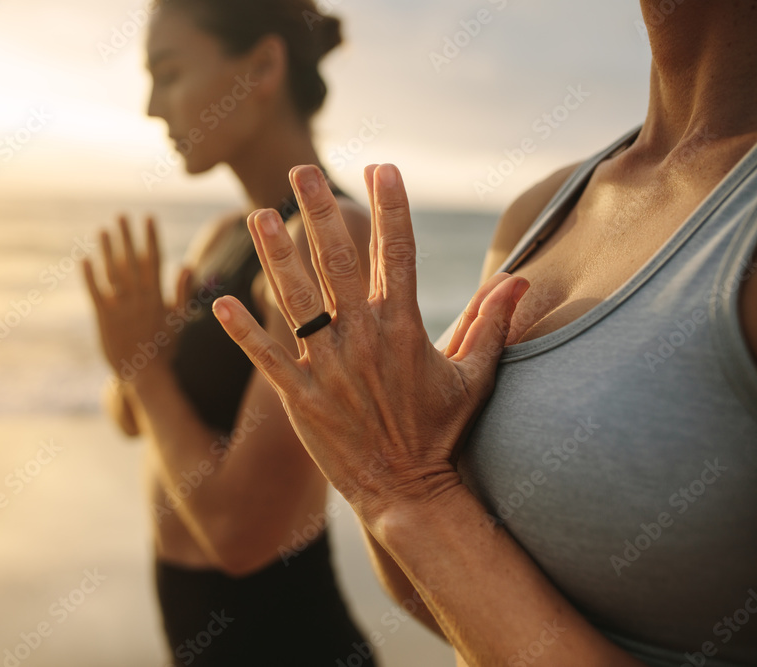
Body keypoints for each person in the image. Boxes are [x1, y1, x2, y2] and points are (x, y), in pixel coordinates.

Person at [212, 1, 757, 665]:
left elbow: (365, 509)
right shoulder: (542, 209)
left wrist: (407, 487)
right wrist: (389, 457)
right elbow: (434, 598)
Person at [81, 1, 376, 665]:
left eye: (170, 72)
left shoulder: (327, 241)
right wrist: (139, 362)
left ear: (263, 66)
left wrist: (144, 367)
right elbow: (133, 414)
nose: (154, 106)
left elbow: (240, 534)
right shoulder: (223, 238)